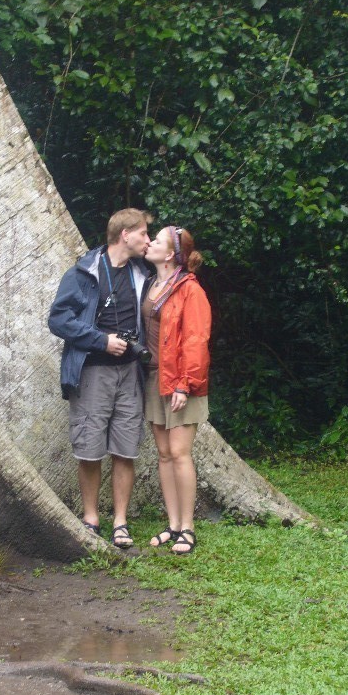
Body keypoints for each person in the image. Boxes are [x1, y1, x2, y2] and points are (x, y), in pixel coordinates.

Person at [48, 208, 151, 548]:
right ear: (125, 234)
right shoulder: (83, 273)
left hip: (129, 375)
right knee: (90, 450)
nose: (147, 240)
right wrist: (101, 340)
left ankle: (120, 522)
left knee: (125, 450)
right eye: (144, 234)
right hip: (93, 372)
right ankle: (91, 518)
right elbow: (58, 319)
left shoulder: (140, 274)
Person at [143, 226, 211, 554]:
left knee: (181, 453)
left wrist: (185, 383)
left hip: (183, 383)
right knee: (165, 455)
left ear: (170, 254)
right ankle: (172, 524)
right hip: (155, 378)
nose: (149, 243)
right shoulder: (151, 284)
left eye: (155, 240)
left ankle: (188, 527)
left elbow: (197, 339)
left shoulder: (189, 289)